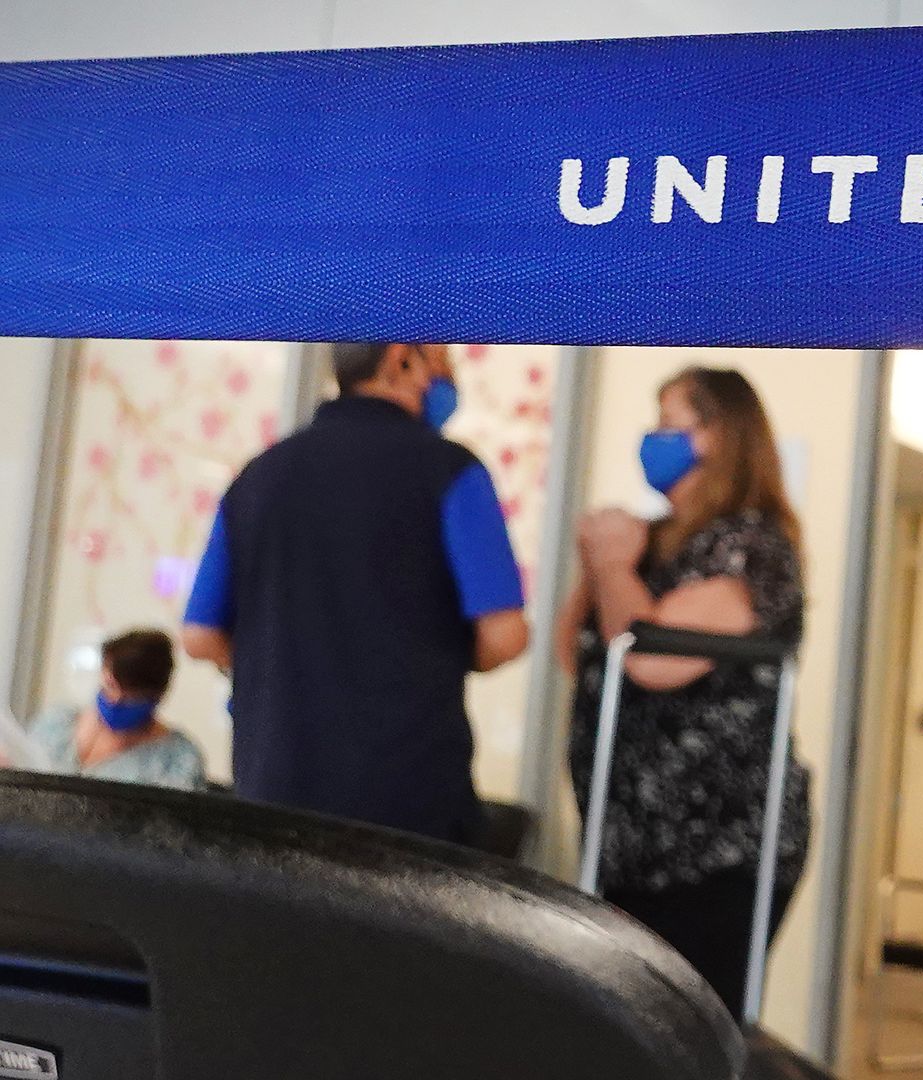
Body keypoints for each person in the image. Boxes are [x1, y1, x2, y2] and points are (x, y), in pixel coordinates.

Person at [180, 343, 529, 843]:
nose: (451, 377)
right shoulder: (450, 472)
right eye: (443, 361)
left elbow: (199, 636)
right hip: (409, 804)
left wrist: (288, 667)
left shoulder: (258, 477)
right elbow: (505, 634)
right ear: (401, 360)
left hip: (273, 791)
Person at [561, 366, 809, 1019]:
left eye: (673, 426)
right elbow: (576, 655)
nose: (655, 439)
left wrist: (614, 562)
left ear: (724, 436)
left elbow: (650, 659)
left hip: (715, 854)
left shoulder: (752, 546)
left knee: (686, 1034)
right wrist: (601, 565)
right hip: (629, 847)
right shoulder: (651, 542)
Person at [27, 628, 205, 791]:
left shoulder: (175, 761)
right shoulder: (56, 724)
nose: (116, 700)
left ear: (158, 694)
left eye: (131, 693)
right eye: (111, 686)